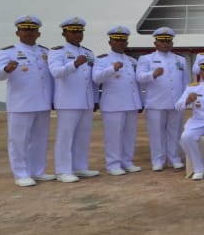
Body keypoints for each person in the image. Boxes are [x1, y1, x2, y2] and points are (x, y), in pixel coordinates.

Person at [0, 15, 55, 187]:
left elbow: (50, 78)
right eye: (25, 30)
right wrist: (6, 69)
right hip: (21, 104)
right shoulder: (8, 52)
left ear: (38, 34)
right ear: (17, 33)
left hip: (42, 103)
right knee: (19, 141)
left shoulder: (45, 52)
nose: (29, 33)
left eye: (32, 30)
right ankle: (21, 173)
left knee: (39, 140)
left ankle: (38, 171)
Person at [48, 17, 99, 183]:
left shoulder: (88, 53)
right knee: (65, 137)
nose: (77, 35)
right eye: (73, 32)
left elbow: (91, 79)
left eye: (79, 32)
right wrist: (74, 64)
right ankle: (63, 170)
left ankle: (79, 166)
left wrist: (95, 99)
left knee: (83, 136)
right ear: (64, 33)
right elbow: (56, 73)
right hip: (68, 102)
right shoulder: (57, 52)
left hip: (86, 101)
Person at [92, 26, 143, 176]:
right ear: (110, 42)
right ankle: (113, 164)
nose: (120, 43)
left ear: (127, 43)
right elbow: (96, 78)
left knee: (129, 135)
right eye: (117, 40)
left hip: (131, 103)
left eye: (123, 40)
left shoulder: (132, 61)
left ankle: (127, 162)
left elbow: (136, 84)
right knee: (113, 137)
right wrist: (112, 69)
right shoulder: (102, 60)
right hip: (113, 104)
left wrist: (140, 102)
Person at [136, 27, 186, 171]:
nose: (165, 44)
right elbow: (139, 77)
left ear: (172, 43)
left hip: (176, 102)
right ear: (155, 43)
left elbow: (184, 82)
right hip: (156, 102)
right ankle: (158, 160)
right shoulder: (146, 59)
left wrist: (184, 100)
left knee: (175, 132)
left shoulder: (180, 59)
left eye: (168, 41)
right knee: (156, 134)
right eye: (162, 41)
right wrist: (153, 74)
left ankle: (174, 158)